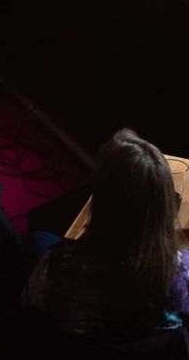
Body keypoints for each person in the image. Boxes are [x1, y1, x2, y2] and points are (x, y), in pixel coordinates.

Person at [23, 127, 189, 337]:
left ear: (101, 203)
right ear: (164, 206)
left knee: (39, 239)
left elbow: (29, 315)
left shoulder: (56, 267)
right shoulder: (183, 274)